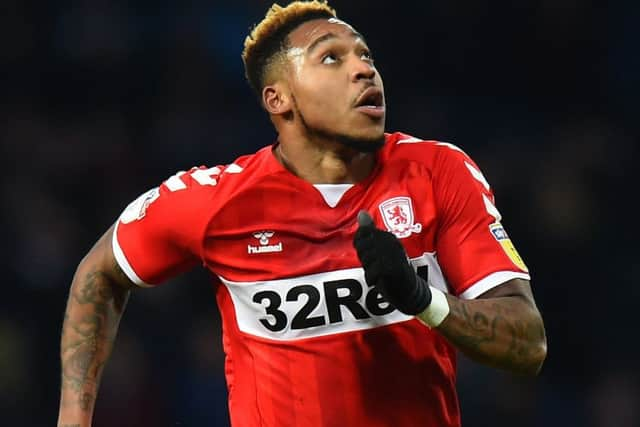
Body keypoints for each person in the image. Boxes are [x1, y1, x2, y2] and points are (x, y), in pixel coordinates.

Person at [57, 1, 547, 426]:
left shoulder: (438, 172)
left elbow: (528, 344)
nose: (363, 70)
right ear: (279, 99)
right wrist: (74, 420)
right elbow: (99, 273)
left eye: (366, 56)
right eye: (331, 58)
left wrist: (422, 299)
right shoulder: (216, 201)